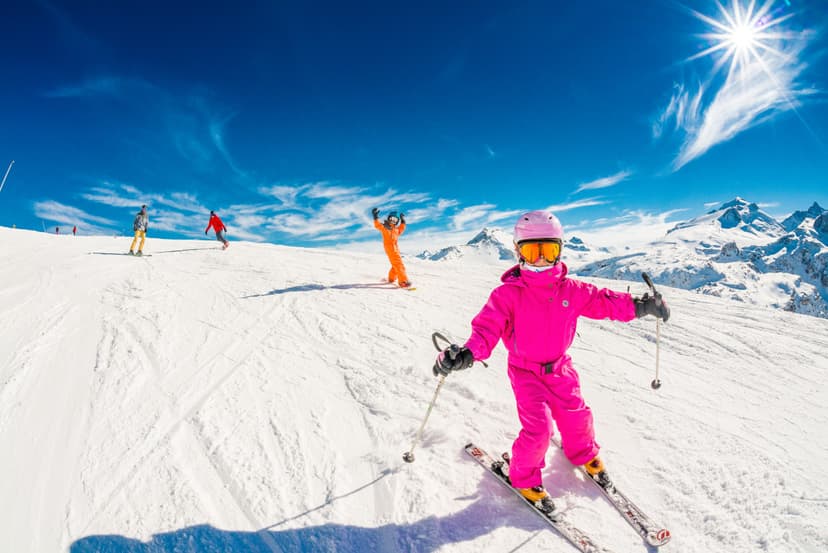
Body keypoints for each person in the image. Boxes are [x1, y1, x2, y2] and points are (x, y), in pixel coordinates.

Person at [432, 210, 670, 511]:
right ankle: (522, 476)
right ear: (518, 251)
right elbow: (486, 330)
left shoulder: (570, 290)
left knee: (577, 415)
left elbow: (603, 301)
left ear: (559, 250)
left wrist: (642, 306)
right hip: (525, 373)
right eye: (534, 251)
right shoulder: (507, 295)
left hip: (561, 368)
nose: (542, 259)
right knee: (538, 431)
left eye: (549, 250)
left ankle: (582, 452)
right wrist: (467, 354)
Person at [372, 208, 411, 287]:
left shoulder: (396, 230)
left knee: (395, 265)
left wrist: (403, 221)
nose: (393, 220)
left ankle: (391, 279)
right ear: (389, 218)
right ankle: (403, 281)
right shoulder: (385, 227)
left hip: (396, 249)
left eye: (395, 219)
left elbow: (401, 229)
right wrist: (375, 216)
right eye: (392, 218)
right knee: (399, 265)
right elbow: (377, 225)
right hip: (390, 248)